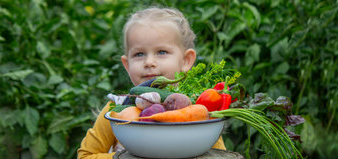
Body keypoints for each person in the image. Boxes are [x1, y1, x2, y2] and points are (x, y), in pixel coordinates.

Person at [77, 7, 226, 159]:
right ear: (127, 65)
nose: (149, 62)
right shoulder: (116, 109)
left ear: (186, 60)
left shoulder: (200, 110)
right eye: (139, 54)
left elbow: (221, 156)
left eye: (161, 52)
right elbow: (86, 155)